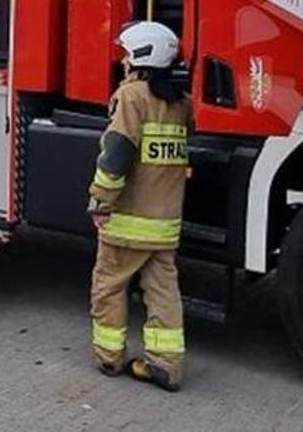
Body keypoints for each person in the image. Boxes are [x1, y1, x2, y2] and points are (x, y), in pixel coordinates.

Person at [88, 21, 193, 392]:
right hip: (164, 225)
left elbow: (116, 156)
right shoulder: (181, 104)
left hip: (127, 222)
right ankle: (165, 364)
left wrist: (100, 200)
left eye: (127, 53)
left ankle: (109, 356)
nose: (123, 60)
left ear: (141, 56)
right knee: (164, 292)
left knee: (109, 286)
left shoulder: (131, 97)